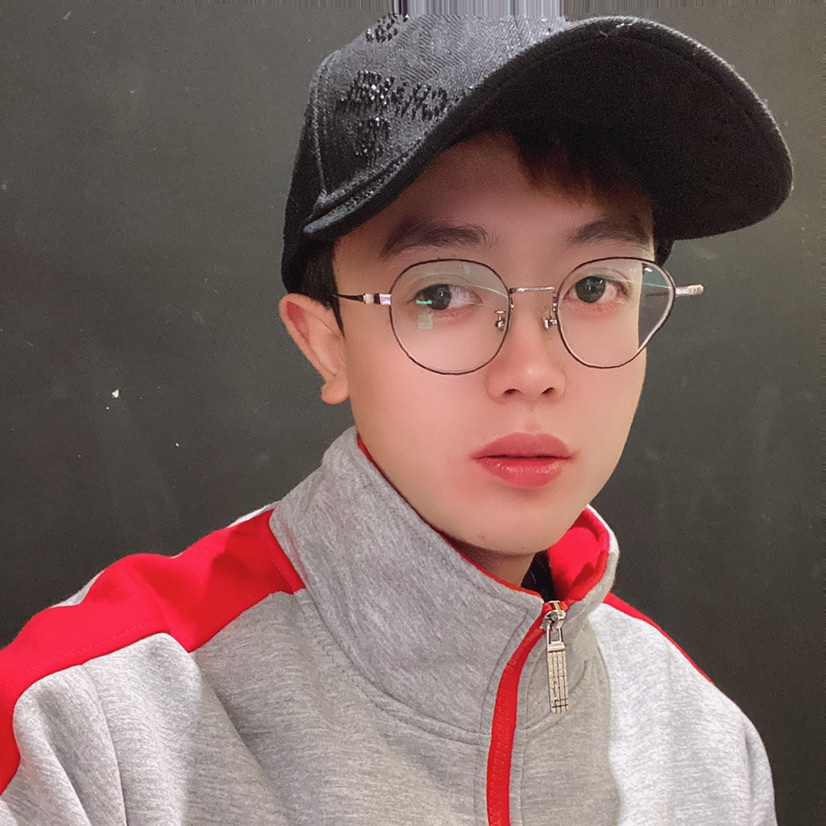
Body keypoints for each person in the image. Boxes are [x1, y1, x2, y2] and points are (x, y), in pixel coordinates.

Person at [0, 11, 791, 826]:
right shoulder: (83, 735)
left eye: (595, 287)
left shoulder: (705, 750)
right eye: (441, 293)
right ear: (327, 344)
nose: (532, 372)